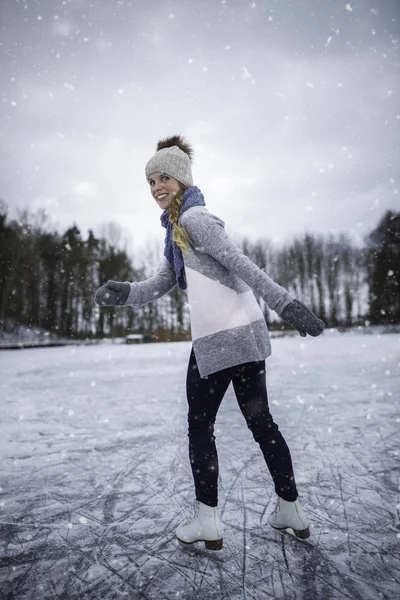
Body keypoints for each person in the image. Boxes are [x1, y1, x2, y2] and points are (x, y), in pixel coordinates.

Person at [95, 135, 325, 551]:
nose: (156, 187)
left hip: (220, 340)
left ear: (181, 179)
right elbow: (164, 281)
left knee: (201, 425)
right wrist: (126, 292)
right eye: (150, 180)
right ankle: (290, 509)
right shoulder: (177, 231)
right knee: (262, 423)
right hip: (247, 336)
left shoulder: (195, 219)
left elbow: (240, 262)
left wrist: (285, 302)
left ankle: (208, 521)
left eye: (164, 177)